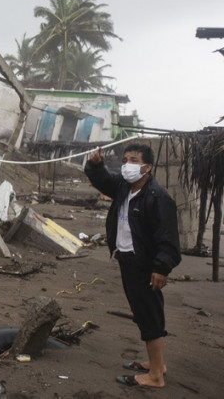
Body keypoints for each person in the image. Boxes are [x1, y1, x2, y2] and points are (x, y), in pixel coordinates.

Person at [85, 143, 181, 388]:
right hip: (127, 259)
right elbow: (103, 180)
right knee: (144, 314)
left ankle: (156, 376)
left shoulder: (158, 198)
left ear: (147, 167)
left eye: (134, 160)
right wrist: (96, 165)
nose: (128, 165)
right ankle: (157, 364)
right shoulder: (124, 187)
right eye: (126, 159)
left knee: (150, 316)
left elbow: (168, 239)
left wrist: (161, 268)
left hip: (145, 265)